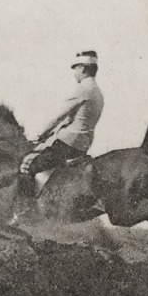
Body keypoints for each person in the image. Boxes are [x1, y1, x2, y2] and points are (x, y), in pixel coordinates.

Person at [18, 49, 104, 199]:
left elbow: (59, 116)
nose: (74, 72)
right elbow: (70, 119)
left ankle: (27, 212)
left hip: (68, 143)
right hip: (83, 143)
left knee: (28, 165)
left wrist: (39, 134)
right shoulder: (98, 92)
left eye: (75, 68)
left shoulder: (83, 88)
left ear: (83, 68)